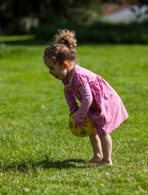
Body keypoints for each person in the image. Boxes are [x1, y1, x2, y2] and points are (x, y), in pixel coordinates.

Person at [43, 29, 129, 167]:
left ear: (65, 65)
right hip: (91, 104)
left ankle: (107, 160)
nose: (50, 72)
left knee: (102, 131)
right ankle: (97, 155)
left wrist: (80, 115)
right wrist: (74, 110)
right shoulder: (65, 76)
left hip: (103, 101)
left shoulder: (79, 76)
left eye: (52, 68)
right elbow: (68, 91)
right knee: (91, 130)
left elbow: (88, 98)